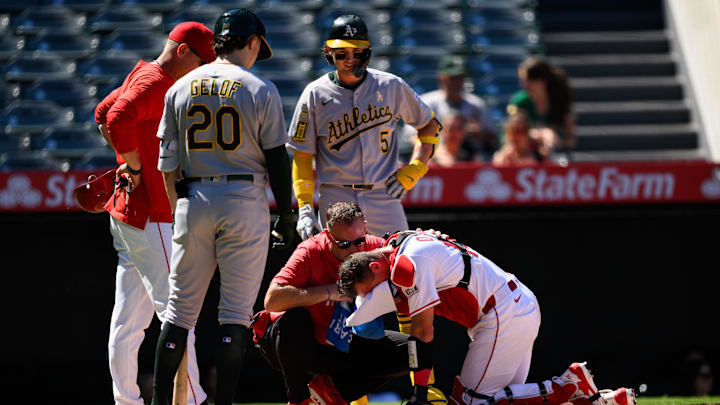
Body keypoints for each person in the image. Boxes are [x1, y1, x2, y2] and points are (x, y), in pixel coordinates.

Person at [151, 9, 295, 405]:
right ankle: (224, 403)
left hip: (193, 195)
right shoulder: (259, 87)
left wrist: (181, 209)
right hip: (244, 198)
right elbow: (278, 160)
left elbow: (167, 166)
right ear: (251, 42)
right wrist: (287, 214)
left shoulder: (179, 88)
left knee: (179, 313)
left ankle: (160, 402)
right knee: (234, 314)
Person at [338, 230, 637, 405]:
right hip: (513, 304)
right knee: (497, 400)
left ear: (376, 269)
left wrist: (418, 391)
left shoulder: (405, 267)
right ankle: (608, 401)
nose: (377, 294)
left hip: (502, 314)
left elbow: (423, 332)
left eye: (370, 289)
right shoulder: (401, 240)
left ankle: (568, 384)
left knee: (471, 401)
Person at [93, 21, 215, 405]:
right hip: (152, 216)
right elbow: (113, 119)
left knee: (127, 325)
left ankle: (126, 400)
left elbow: (102, 113)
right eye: (201, 60)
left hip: (129, 215)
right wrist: (132, 164)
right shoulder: (157, 81)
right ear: (182, 52)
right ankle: (192, 400)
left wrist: (129, 160)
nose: (202, 69)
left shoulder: (144, 72)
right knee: (179, 318)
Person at [288, 14, 443, 240]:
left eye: (357, 52)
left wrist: (416, 169)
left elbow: (430, 126)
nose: (350, 59)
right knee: (340, 270)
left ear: (367, 52)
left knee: (397, 264)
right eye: (342, 53)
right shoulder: (315, 93)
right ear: (329, 52)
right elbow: (302, 156)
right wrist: (304, 208)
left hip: (384, 192)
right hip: (336, 195)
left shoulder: (390, 85)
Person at [258, 201, 412, 405]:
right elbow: (272, 301)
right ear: (329, 237)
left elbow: (412, 261)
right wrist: (331, 291)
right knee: (294, 319)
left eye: (359, 241)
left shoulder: (375, 247)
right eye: (344, 245)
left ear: (365, 228)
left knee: (413, 350)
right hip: (299, 345)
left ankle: (330, 391)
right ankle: (298, 399)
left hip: (343, 344)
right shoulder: (310, 250)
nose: (354, 250)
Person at [421, 55, 498, 160]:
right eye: (452, 78)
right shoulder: (427, 103)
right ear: (441, 78)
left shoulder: (476, 104)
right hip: (432, 158)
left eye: (460, 78)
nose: (457, 82)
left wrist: (479, 132)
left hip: (470, 158)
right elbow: (411, 136)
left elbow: (493, 138)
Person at [507, 57, 574, 155]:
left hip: (556, 157)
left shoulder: (560, 101)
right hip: (525, 155)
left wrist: (555, 143)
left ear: (541, 81)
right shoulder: (519, 102)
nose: (523, 85)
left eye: (527, 80)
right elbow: (513, 132)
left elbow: (571, 140)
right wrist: (543, 134)